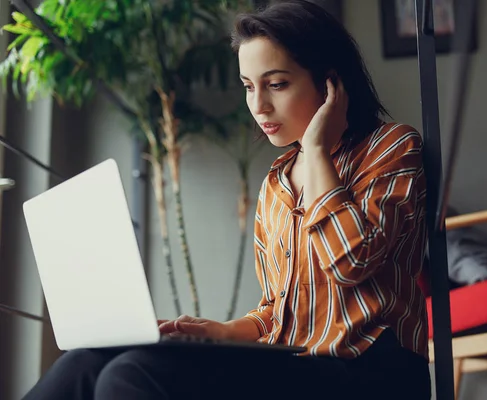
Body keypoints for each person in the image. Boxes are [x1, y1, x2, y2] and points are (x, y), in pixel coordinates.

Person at [23, 1, 431, 398]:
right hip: (294, 364)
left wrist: (318, 151)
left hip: (368, 372)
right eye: (249, 87)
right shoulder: (277, 183)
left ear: (331, 83)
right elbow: (279, 308)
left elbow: (351, 261)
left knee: (131, 375)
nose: (259, 105)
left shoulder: (392, 148)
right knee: (87, 362)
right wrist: (219, 331)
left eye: (276, 84)